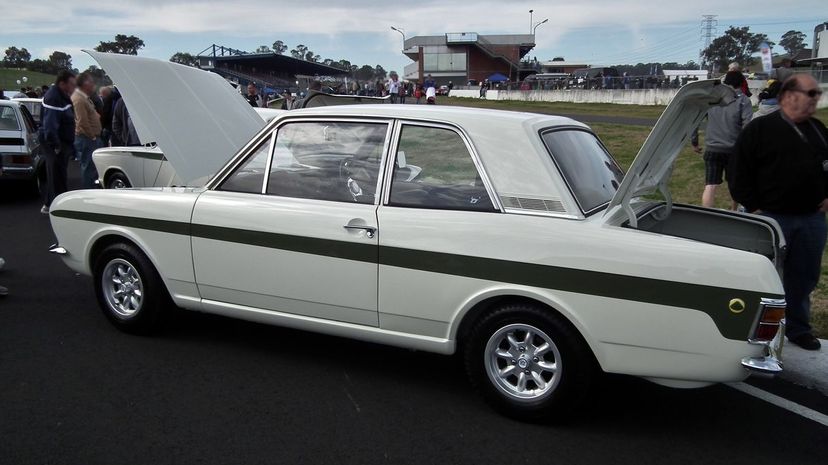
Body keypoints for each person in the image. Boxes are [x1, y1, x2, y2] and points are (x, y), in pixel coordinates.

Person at [729, 75, 827, 351]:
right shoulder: (759, 130)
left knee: (804, 277)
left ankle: (798, 329)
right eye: (810, 93)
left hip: (811, 220)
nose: (815, 99)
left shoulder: (818, 130)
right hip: (771, 219)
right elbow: (738, 172)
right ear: (788, 96)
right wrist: (756, 208)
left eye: (816, 94)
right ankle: (752, 330)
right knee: (764, 277)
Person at [696, 71, 752, 209]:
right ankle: (734, 211)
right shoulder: (743, 100)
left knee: (710, 185)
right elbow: (747, 126)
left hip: (712, 147)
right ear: (741, 83)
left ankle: (707, 214)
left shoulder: (713, 100)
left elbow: (695, 120)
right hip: (734, 150)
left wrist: (694, 141)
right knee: (735, 184)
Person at [39, 70, 77, 214]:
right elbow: (50, 126)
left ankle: (50, 204)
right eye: (72, 84)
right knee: (57, 175)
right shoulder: (54, 98)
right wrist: (56, 146)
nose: (74, 87)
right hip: (56, 143)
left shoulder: (61, 96)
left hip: (62, 141)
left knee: (58, 174)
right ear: (62, 83)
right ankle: (57, 208)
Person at [71, 71, 102, 189]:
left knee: (92, 168)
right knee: (89, 168)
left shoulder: (84, 98)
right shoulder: (79, 99)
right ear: (84, 84)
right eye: (91, 81)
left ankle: (91, 190)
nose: (93, 84)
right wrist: (92, 136)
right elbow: (82, 122)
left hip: (89, 138)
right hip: (87, 138)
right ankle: (89, 192)